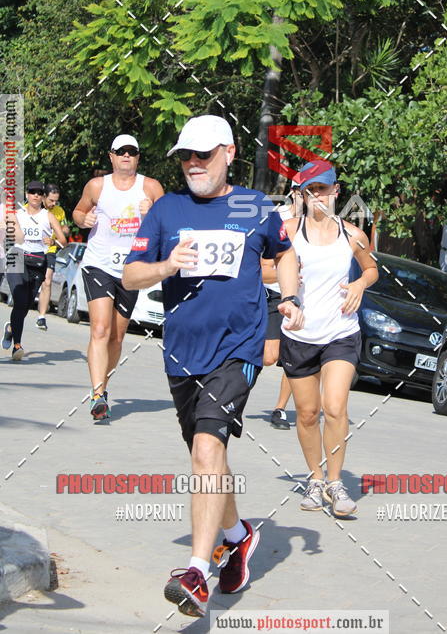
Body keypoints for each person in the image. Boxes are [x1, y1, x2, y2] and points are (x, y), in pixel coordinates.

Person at [122, 114, 303, 619]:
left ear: (229, 152)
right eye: (186, 155)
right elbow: (131, 275)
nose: (193, 164)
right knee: (209, 460)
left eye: (203, 154)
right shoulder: (167, 209)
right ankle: (237, 534)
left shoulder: (254, 205)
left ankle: (197, 572)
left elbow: (286, 254)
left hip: (238, 349)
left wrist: (290, 298)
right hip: (183, 352)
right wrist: (166, 266)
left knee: (207, 448)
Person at [280, 160, 378, 516]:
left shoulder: (352, 234)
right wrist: (286, 280)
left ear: (336, 191)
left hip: (341, 332)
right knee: (308, 414)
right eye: (310, 191)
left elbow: (372, 269)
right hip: (300, 333)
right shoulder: (288, 230)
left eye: (323, 189)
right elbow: (261, 268)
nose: (317, 197)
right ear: (303, 195)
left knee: (335, 407)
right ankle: (315, 478)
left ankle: (336, 483)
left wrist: (359, 284)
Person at [72, 135, 164, 420]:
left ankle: (103, 387)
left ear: (138, 157)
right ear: (111, 156)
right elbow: (78, 211)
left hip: (130, 269)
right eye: (120, 151)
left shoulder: (151, 187)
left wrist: (153, 213)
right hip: (98, 264)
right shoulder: (97, 185)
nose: (126, 155)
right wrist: (83, 220)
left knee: (116, 336)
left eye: (131, 151)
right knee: (100, 329)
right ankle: (97, 394)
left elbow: (168, 224)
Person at [2, 181, 67, 360]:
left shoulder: (49, 216)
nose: (36, 195)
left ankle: (11, 329)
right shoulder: (17, 214)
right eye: (32, 192)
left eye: (39, 193)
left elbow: (63, 240)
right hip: (17, 257)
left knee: (25, 305)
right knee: (20, 299)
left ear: (43, 197)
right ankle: (17, 346)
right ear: (27, 195)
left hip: (38, 261)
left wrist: (53, 242)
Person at [262, 183, 304, 430]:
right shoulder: (278, 218)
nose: (308, 195)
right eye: (303, 190)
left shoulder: (322, 224)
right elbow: (262, 269)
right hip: (275, 295)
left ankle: (280, 409)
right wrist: (289, 275)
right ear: (294, 192)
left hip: (304, 300)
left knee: (293, 358)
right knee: (270, 357)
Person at [36, 184, 70, 331]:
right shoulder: (32, 208)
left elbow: (66, 229)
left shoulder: (59, 211)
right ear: (44, 197)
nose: (53, 203)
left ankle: (41, 317)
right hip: (31, 249)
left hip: (50, 249)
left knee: (47, 281)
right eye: (51, 200)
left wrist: (61, 229)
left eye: (56, 201)